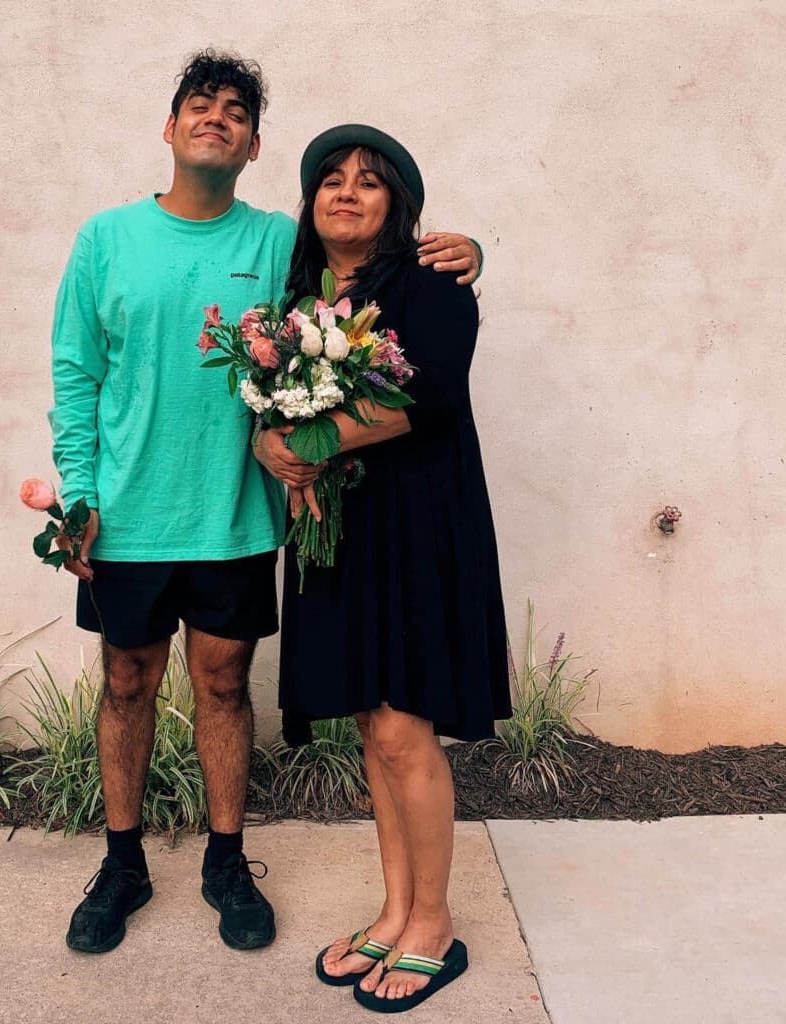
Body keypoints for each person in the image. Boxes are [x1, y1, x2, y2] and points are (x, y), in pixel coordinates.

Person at [48, 53, 482, 956]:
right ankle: (122, 864)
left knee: (223, 686)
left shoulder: (280, 243)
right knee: (125, 685)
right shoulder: (104, 239)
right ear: (170, 127)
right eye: (200, 105)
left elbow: (376, 275)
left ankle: (227, 862)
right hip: (123, 518)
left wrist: (468, 251)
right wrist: (78, 495)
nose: (217, 117)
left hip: (237, 519)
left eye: (237, 112)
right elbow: (76, 373)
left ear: (253, 147)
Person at [253, 125, 511, 1012]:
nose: (347, 192)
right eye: (331, 179)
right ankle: (395, 909)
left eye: (369, 180)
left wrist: (308, 441)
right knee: (372, 723)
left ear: (398, 202)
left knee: (404, 729)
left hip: (417, 525)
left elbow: (427, 397)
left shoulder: (430, 281)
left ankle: (433, 923)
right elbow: (278, 405)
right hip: (343, 528)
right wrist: (270, 439)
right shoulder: (302, 299)